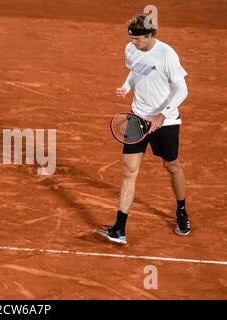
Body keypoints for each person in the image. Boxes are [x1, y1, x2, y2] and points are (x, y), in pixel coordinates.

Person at [96, 14, 190, 245]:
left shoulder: (167, 54)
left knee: (172, 166)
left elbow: (182, 90)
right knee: (129, 171)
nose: (133, 43)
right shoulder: (131, 48)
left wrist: (162, 114)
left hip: (165, 122)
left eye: (138, 39)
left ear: (150, 35)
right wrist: (126, 86)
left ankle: (181, 211)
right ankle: (119, 228)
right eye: (131, 39)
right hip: (137, 117)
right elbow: (136, 70)